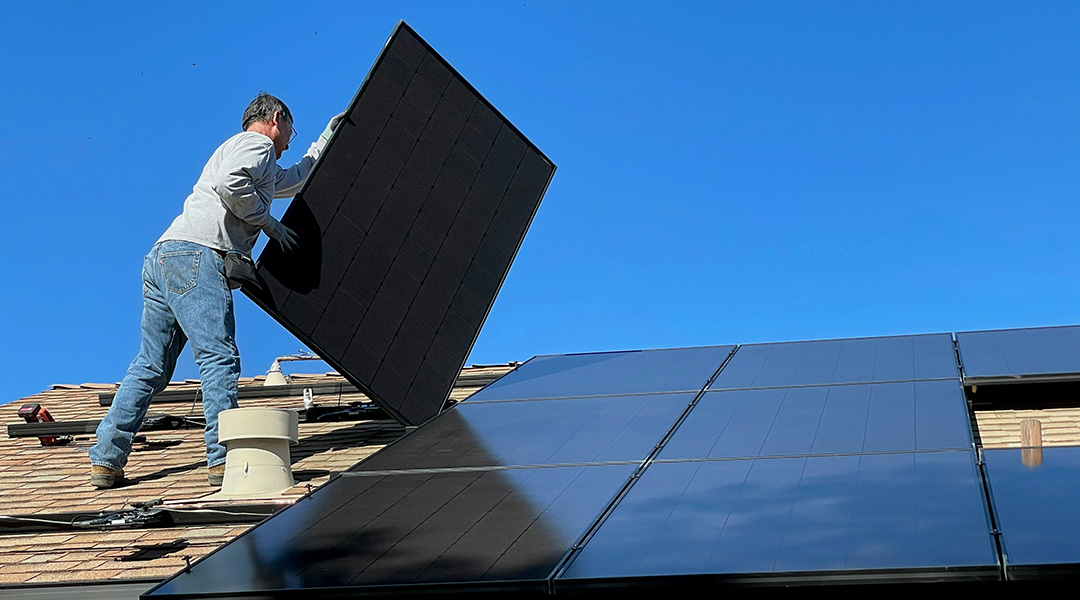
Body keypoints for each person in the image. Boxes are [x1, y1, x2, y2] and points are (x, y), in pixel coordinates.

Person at [89, 92, 344, 488]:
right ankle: (223, 460)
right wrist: (268, 224)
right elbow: (231, 185)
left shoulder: (244, 152)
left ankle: (106, 458)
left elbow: (291, 181)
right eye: (293, 128)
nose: (291, 138)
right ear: (277, 118)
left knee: (150, 366)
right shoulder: (257, 144)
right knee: (218, 357)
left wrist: (325, 140)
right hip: (198, 255)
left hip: (163, 257)